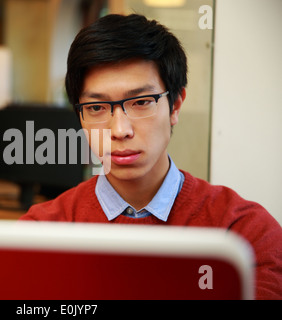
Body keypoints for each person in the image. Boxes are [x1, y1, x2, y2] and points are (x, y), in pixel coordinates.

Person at [18, 13, 282, 299]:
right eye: (96, 107)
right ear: (80, 116)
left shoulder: (244, 234)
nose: (119, 130)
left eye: (141, 102)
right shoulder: (41, 233)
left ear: (176, 105)